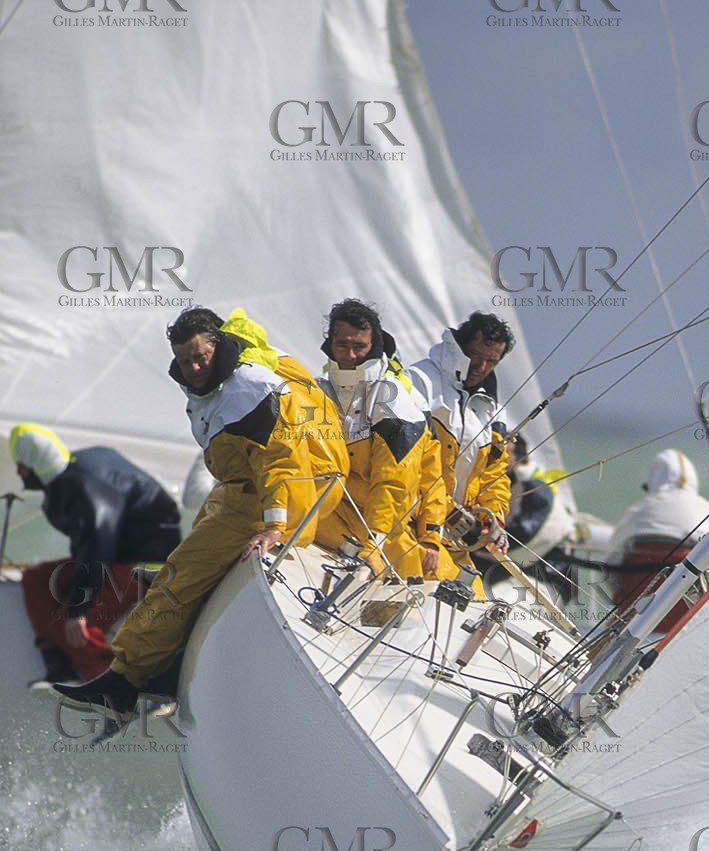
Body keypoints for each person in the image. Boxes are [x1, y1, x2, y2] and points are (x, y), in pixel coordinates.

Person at [54, 306, 349, 716]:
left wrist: (275, 526)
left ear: (218, 346)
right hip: (258, 482)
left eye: (201, 358)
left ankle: (125, 680)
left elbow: (281, 460)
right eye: (184, 360)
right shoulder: (233, 365)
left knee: (179, 578)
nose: (193, 367)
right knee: (210, 513)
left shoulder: (248, 390)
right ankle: (175, 630)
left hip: (290, 486)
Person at [10, 423, 180, 686]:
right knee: (36, 578)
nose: (17, 471)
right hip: (112, 557)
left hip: (146, 563)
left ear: (33, 464)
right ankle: (59, 667)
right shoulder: (70, 476)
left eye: (20, 464)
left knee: (71, 625)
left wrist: (78, 609)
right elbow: (92, 548)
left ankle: (110, 689)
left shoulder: (81, 488)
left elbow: (99, 545)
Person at [315, 299, 444, 579]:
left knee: (428, 585)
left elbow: (394, 482)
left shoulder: (393, 399)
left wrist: (378, 541)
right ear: (330, 344)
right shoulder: (320, 390)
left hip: (387, 529)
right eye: (342, 345)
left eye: (359, 347)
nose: (350, 355)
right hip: (333, 514)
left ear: (373, 346)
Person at [408, 312, 514, 577]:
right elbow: (408, 463)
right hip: (409, 523)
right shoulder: (420, 380)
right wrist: (442, 513)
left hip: (455, 537)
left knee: (474, 601)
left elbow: (495, 474)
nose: (481, 367)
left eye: (492, 361)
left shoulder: (492, 409)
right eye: (476, 356)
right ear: (460, 347)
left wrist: (492, 519)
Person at [606, 448, 709, 610]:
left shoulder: (638, 511)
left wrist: (620, 601)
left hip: (635, 619)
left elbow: (610, 563)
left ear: (653, 481)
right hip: (689, 622)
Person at [480, 432, 577, 602]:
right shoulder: (499, 482)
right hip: (505, 570)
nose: (496, 456)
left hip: (545, 580)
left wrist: (471, 538)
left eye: (504, 452)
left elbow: (521, 537)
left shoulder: (536, 489)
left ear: (521, 460)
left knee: (500, 602)